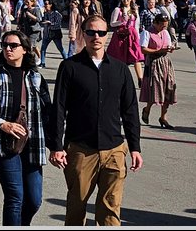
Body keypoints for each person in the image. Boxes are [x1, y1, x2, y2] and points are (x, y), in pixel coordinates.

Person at [49, 15, 143, 226]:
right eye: (91, 32)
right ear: (83, 34)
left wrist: (135, 147)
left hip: (114, 150)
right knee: (76, 207)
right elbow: (58, 109)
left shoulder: (120, 69)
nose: (96, 37)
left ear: (107, 35)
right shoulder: (70, 67)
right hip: (82, 150)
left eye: (101, 32)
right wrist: (56, 146)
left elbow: (130, 111)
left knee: (110, 209)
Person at [0, 31, 53, 226]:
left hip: (32, 144)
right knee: (15, 197)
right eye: (5, 45)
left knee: (34, 200)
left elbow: (47, 113)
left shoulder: (35, 77)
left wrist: (57, 146)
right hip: (2, 144)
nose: (8, 49)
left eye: (13, 45)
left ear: (25, 49)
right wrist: (3, 124)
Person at [139, 13, 179, 129]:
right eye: (161, 25)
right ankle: (147, 109)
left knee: (168, 89)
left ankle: (163, 117)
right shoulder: (147, 33)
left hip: (165, 62)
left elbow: (168, 45)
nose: (163, 28)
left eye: (165, 26)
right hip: (153, 63)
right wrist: (157, 50)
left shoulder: (165, 32)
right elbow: (143, 49)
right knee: (155, 89)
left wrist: (170, 48)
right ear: (155, 23)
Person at [108, 0, 144, 87]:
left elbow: (137, 23)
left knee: (135, 56)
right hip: (121, 34)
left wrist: (137, 36)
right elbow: (112, 23)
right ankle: (120, 78)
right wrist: (122, 21)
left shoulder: (134, 10)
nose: (125, 0)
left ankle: (140, 79)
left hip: (132, 34)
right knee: (121, 56)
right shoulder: (117, 10)